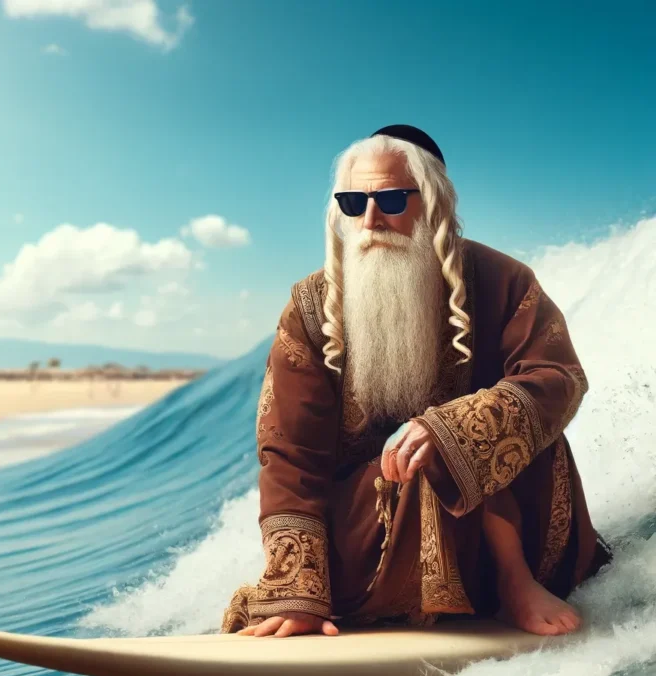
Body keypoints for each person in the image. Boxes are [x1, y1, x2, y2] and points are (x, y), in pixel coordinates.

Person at [221, 125, 612, 639]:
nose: (370, 219)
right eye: (354, 202)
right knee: (415, 461)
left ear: (433, 203)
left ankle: (515, 583)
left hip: (510, 529)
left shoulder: (503, 280)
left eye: (390, 199)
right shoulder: (311, 310)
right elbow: (290, 453)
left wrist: (451, 429)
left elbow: (560, 377)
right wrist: (299, 591)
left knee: (477, 434)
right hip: (375, 538)